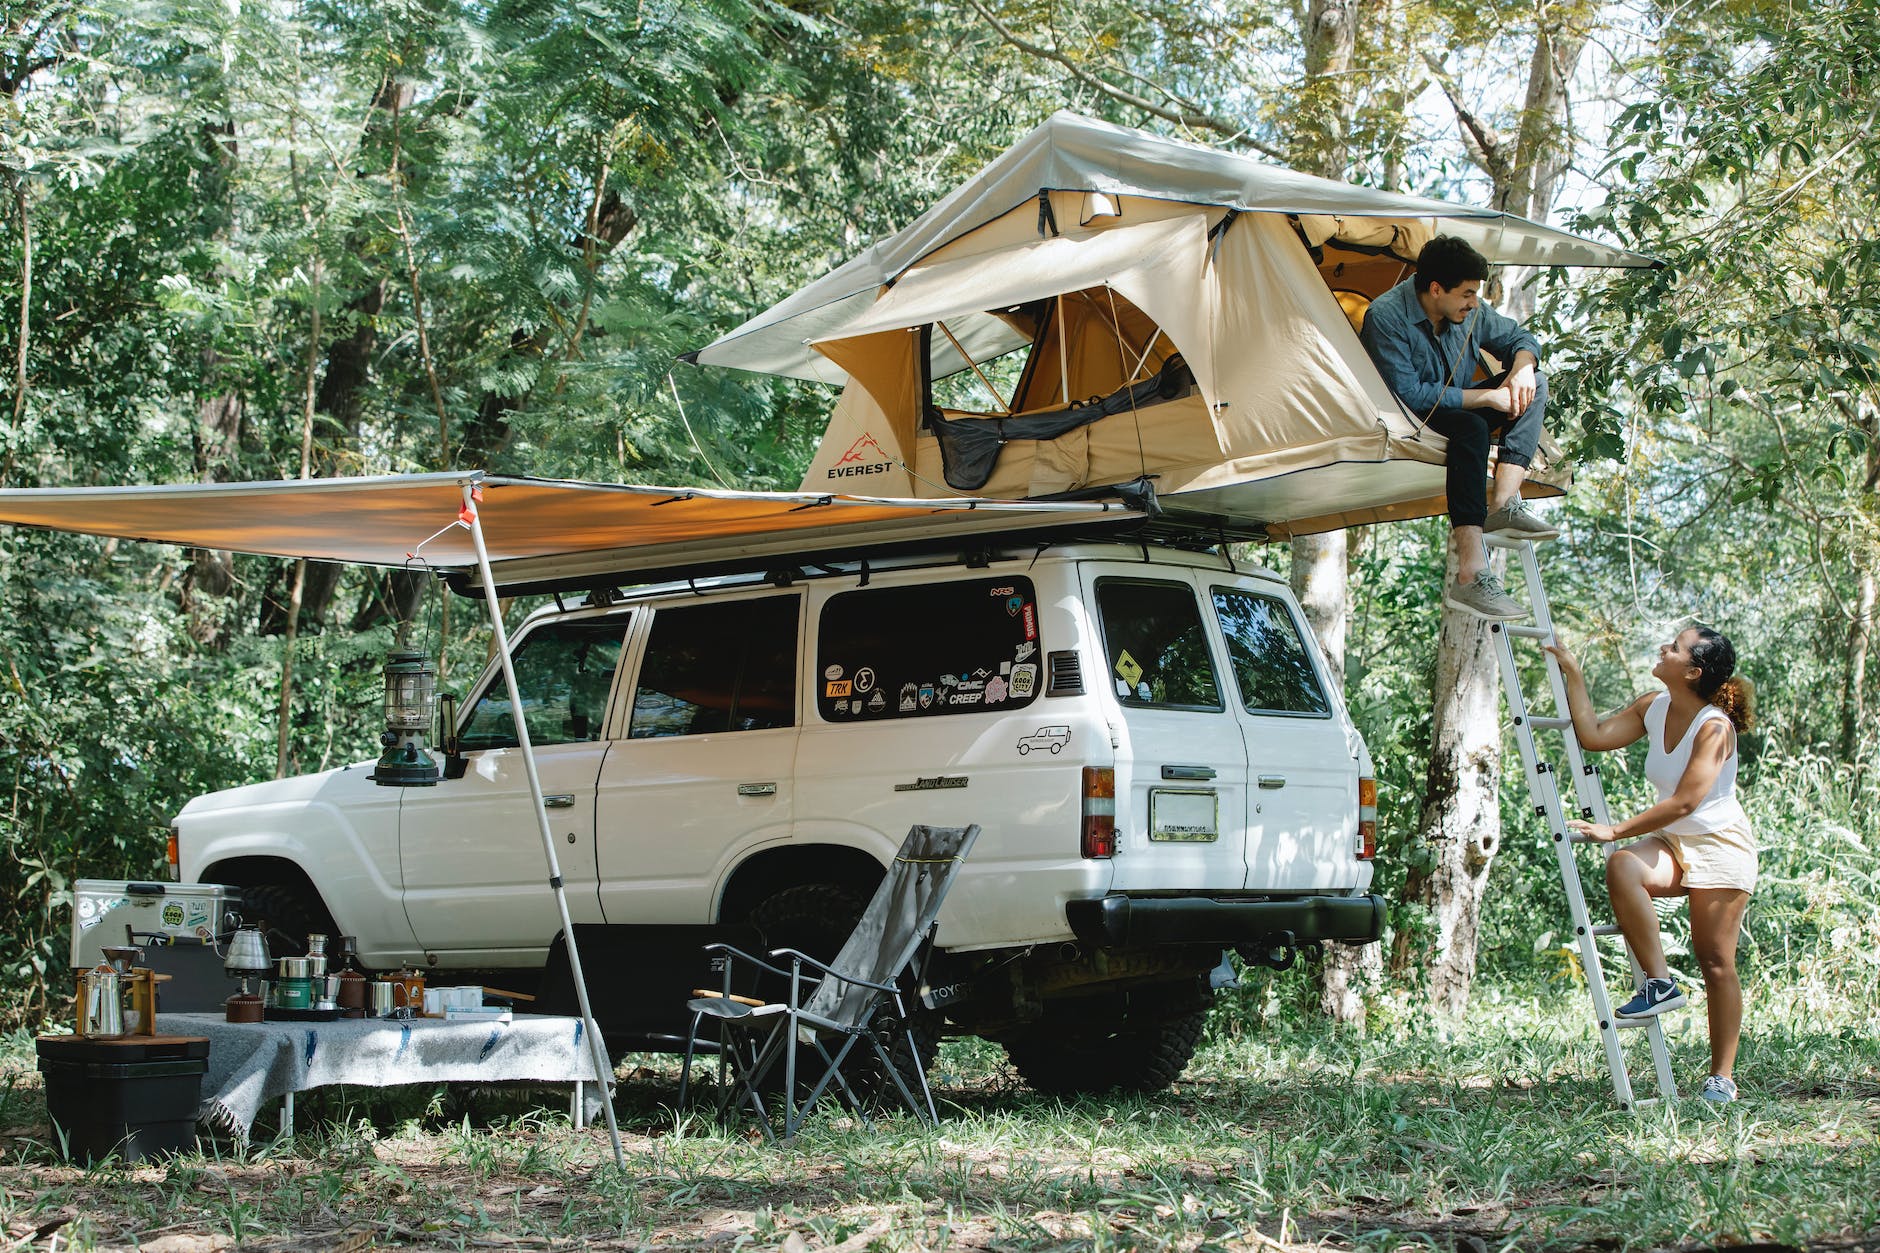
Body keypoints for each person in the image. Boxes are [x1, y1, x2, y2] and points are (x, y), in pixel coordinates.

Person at [1542, 627, 1757, 1105]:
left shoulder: (1714, 726)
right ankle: (1660, 983)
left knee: (1716, 962)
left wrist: (1616, 828)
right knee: (1623, 868)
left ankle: (1721, 1078)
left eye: (1675, 647)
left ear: (1693, 671)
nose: (1664, 648)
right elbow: (1594, 735)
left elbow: (1685, 802)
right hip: (1676, 844)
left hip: (1721, 846)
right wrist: (1574, 675)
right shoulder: (1652, 706)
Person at [1360, 236, 1557, 621]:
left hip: (1456, 407)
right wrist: (1486, 399)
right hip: (1406, 418)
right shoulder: (1385, 316)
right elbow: (1410, 394)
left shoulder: (1471, 310)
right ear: (1436, 289)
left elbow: (1520, 338)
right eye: (1467, 294)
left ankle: (1502, 504)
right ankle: (1470, 574)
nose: (1473, 302)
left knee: (1538, 383)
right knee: (1471, 427)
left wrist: (1521, 368)